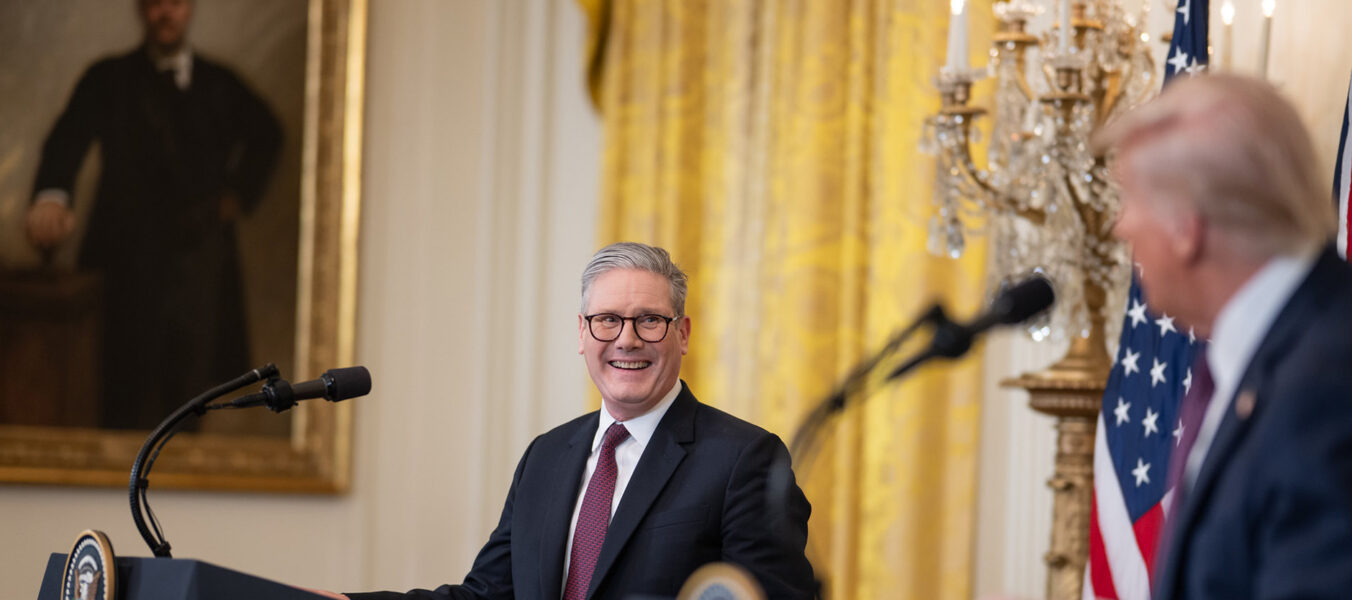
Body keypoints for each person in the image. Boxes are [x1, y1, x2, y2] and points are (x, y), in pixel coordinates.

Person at [1095, 73, 1352, 599]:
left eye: (1131, 200)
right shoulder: (1276, 351)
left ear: (1187, 226)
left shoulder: (1339, 375)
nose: (1121, 227)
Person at [339, 242, 817, 600]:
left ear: (683, 334)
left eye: (649, 320)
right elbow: (488, 596)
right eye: (607, 320)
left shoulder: (743, 459)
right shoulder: (545, 456)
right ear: (582, 334)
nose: (627, 340)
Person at [26, 0, 282, 429]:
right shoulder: (107, 79)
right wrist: (52, 197)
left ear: (190, 8)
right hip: (123, 267)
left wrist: (238, 193)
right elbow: (66, 142)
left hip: (199, 270)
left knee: (191, 401)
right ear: (140, 10)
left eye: (176, 3)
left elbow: (268, 133)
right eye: (154, 3)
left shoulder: (220, 84)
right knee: (117, 396)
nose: (165, 13)